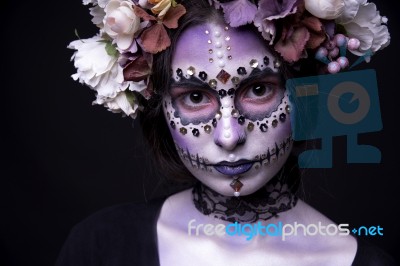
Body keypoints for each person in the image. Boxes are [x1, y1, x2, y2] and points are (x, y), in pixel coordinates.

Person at [58, 0, 395, 265]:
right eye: (194, 97)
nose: (229, 137)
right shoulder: (102, 246)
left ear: (305, 95)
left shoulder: (358, 261)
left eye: (259, 90)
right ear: (160, 106)